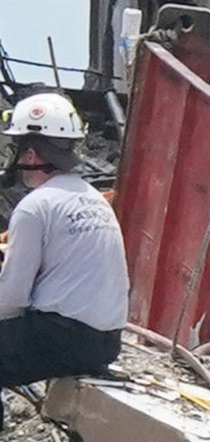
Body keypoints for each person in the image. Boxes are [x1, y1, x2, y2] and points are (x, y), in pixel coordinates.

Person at [0, 94, 125, 425]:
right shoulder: (95, 200)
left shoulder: (34, 206)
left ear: (30, 153)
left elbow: (11, 299)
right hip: (106, 341)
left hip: (64, 338)